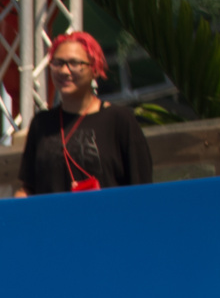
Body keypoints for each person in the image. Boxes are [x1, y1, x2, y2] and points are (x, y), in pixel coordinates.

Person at [16, 31, 153, 197]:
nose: (65, 71)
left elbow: (142, 185)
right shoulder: (41, 123)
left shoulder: (119, 119)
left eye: (74, 63)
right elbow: (28, 188)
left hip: (106, 219)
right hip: (54, 221)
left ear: (94, 69)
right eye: (58, 63)